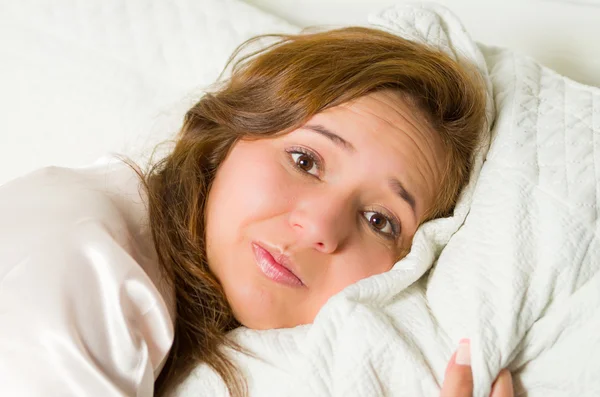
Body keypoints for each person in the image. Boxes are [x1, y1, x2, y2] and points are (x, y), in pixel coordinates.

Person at [0, 26, 511, 396]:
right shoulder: (91, 265)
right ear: (227, 138)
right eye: (305, 160)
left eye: (379, 221)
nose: (318, 227)